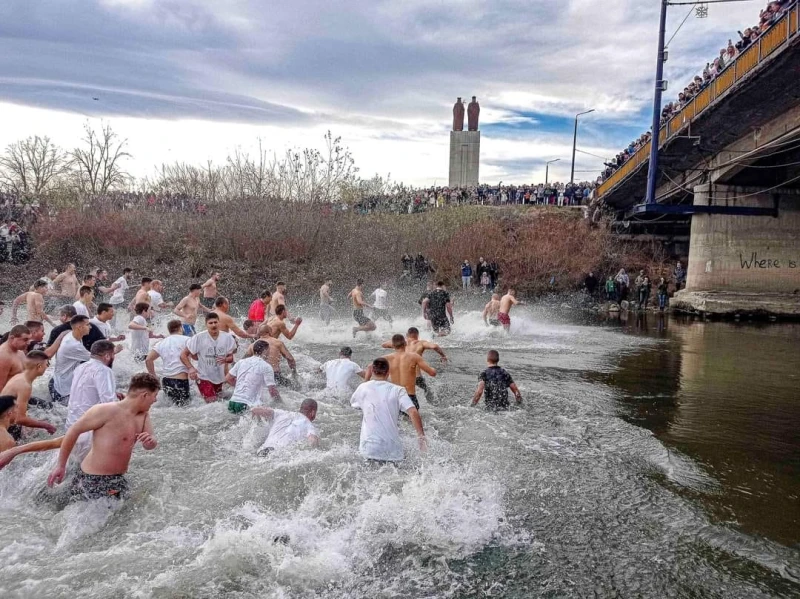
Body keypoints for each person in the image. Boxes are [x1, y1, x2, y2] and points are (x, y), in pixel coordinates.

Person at [47, 373, 160, 501]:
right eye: (154, 395)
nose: (155, 400)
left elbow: (151, 443)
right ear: (145, 395)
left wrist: (150, 442)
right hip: (93, 478)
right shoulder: (105, 411)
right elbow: (73, 431)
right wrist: (60, 466)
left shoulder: (143, 416)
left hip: (117, 479)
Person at [350, 357, 426, 463]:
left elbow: (355, 404)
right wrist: (421, 438)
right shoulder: (398, 390)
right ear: (388, 372)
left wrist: (367, 378)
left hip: (369, 449)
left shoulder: (362, 388)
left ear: (372, 371)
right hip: (393, 451)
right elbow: (413, 412)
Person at [180, 312, 237, 402]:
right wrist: (190, 368)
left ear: (219, 323)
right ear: (206, 325)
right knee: (212, 402)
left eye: (215, 322)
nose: (213, 325)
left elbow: (231, 358)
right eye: (210, 323)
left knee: (218, 402)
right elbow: (183, 354)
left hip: (219, 377)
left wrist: (226, 359)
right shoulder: (198, 337)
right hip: (203, 376)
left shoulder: (228, 338)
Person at [382, 327, 446, 404]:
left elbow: (384, 345)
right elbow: (434, 346)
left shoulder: (401, 344)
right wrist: (443, 356)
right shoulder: (421, 343)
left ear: (407, 335)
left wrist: (397, 343)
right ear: (417, 335)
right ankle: (432, 405)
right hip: (416, 377)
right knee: (427, 391)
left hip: (400, 380)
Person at [1, 351, 56, 439]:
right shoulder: (25, 386)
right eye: (47, 364)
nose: (47, 367)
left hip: (7, 419)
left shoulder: (20, 376)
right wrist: (46, 425)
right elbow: (19, 419)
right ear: (39, 366)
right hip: (6, 425)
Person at [225, 340, 281, 413]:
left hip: (232, 402)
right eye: (269, 350)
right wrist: (280, 403)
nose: (269, 353)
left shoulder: (241, 362)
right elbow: (272, 390)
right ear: (265, 350)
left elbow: (228, 378)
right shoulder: (266, 366)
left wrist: (241, 387)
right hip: (247, 404)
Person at [145, 320, 191, 406]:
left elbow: (148, 360)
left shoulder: (161, 342)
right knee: (184, 408)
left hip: (166, 380)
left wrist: (153, 376)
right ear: (180, 328)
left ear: (169, 330)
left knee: (171, 407)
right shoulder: (187, 340)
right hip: (181, 380)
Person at [253, 399, 319, 456]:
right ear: (313, 412)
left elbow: (257, 410)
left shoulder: (281, 413)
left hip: (262, 450)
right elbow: (313, 441)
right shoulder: (309, 425)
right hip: (278, 454)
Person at [50, 316, 93, 405]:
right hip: (61, 389)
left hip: (59, 382)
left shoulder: (73, 335)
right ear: (79, 327)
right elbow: (97, 358)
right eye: (88, 324)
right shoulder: (73, 344)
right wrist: (114, 351)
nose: (90, 327)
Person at [0, 324, 31, 391]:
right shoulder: (3, 356)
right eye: (25, 339)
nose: (28, 343)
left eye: (29, 339)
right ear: (12, 338)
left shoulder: (20, 352)